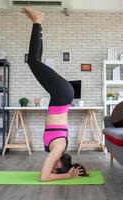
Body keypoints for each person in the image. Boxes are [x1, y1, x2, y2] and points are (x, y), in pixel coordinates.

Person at [21, 7, 88, 181]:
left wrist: (69, 172)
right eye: (55, 169)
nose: (51, 167)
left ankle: (38, 23)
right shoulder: (58, 148)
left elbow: (46, 173)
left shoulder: (54, 148)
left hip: (61, 96)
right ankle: (37, 21)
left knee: (35, 60)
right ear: (59, 165)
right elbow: (43, 178)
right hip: (62, 95)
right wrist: (67, 175)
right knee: (32, 61)